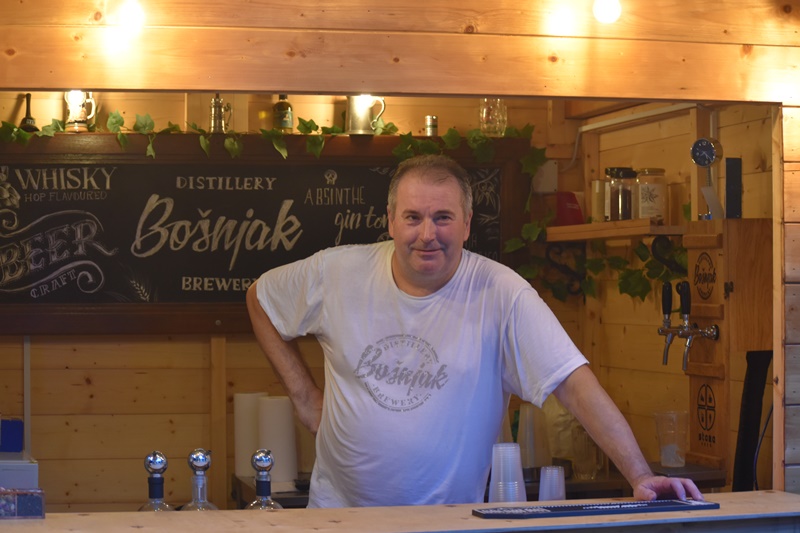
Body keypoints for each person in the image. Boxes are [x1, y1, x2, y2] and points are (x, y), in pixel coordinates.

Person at [246, 154, 703, 508]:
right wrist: (305, 399)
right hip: (338, 519)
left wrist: (640, 475)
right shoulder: (337, 272)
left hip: (450, 525)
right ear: (390, 221)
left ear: (467, 224)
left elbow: (573, 383)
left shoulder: (502, 292)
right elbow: (260, 298)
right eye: (413, 217)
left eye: (443, 217)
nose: (427, 233)